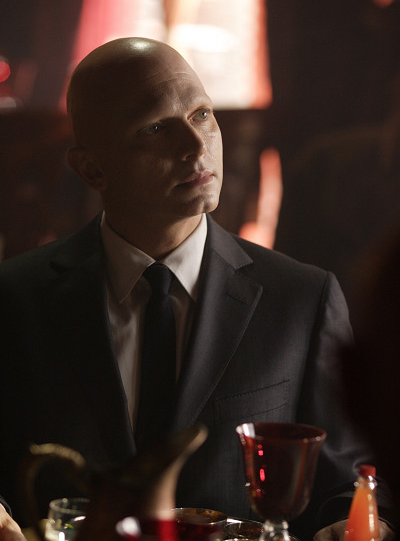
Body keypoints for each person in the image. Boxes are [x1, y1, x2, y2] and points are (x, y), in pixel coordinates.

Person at [0, 38, 394, 541]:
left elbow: (350, 481)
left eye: (202, 114)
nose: (195, 145)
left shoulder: (302, 299)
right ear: (92, 169)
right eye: (155, 128)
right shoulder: (15, 299)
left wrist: (355, 523)